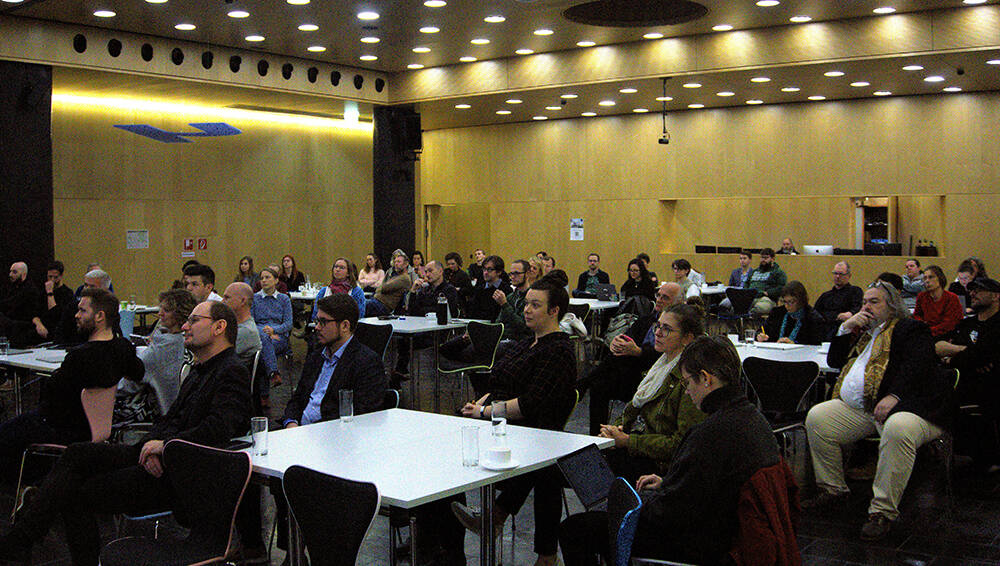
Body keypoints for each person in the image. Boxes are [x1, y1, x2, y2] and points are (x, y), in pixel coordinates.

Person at [0, 301, 251, 565]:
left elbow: (218, 429)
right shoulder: (200, 371)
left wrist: (164, 447)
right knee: (77, 454)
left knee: (74, 492)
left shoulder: (231, 371)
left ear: (219, 327)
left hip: (180, 472)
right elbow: (169, 419)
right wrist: (153, 444)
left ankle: (20, 542)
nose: (185, 326)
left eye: (194, 320)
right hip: (157, 454)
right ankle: (20, 542)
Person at [560, 336, 781, 565]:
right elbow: (704, 485)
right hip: (724, 528)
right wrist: (668, 483)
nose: (687, 392)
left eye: (687, 383)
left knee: (576, 529)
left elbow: (671, 512)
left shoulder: (710, 433)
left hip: (701, 540)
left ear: (706, 379)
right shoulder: (752, 418)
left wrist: (634, 505)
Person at [803, 281, 953, 541]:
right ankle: (833, 490)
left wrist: (894, 395)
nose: (866, 307)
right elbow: (834, 361)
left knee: (897, 428)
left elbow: (918, 365)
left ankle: (882, 512)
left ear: (892, 306)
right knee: (818, 417)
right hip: (866, 408)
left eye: (874, 302)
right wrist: (845, 328)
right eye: (864, 302)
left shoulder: (910, 328)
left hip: (912, 407)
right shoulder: (864, 334)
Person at [452, 279, 577, 566]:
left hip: (529, 430)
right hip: (505, 424)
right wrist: (478, 403)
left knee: (542, 465)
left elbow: (529, 404)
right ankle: (477, 527)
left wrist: (484, 412)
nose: (527, 310)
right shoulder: (527, 342)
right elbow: (499, 381)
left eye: (535, 305)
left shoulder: (558, 350)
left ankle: (495, 518)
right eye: (527, 303)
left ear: (554, 311)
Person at [0, 288, 144, 482]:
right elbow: (138, 373)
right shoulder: (123, 348)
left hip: (64, 429)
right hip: (98, 428)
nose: (76, 315)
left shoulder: (79, 356)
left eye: (82, 311)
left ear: (100, 316)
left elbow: (51, 395)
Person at [597, 303, 707, 481]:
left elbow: (681, 444)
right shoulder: (659, 366)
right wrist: (615, 430)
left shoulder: (690, 380)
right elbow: (633, 409)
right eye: (658, 326)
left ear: (687, 338)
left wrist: (628, 441)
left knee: (584, 470)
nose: (658, 333)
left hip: (659, 466)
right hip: (638, 446)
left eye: (667, 329)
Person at [586, 282, 683, 435]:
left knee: (609, 367)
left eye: (665, 297)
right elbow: (628, 336)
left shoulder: (678, 329)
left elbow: (666, 356)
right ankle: (597, 436)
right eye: (658, 295)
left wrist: (638, 352)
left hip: (654, 375)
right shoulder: (646, 319)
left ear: (678, 303)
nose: (659, 300)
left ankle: (584, 382)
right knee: (600, 385)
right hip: (632, 369)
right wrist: (617, 341)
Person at [935, 277, 1000, 467]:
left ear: (995, 296)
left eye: (979, 290)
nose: (972, 293)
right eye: (972, 290)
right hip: (961, 383)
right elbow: (938, 347)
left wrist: (953, 355)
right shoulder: (966, 324)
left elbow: (982, 356)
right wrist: (966, 353)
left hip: (990, 387)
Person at [253, 267, 294, 386]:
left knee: (261, 351)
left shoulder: (284, 299)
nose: (264, 280)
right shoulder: (255, 298)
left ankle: (263, 391)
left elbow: (288, 324)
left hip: (278, 336)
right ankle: (273, 373)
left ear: (276, 280)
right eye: (262, 278)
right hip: (260, 333)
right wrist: (266, 333)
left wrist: (274, 331)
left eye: (267, 277)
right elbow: (251, 321)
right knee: (263, 344)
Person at [757, 281, 825, 345]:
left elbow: (816, 343)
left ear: (801, 301)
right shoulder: (777, 313)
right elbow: (762, 330)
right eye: (785, 302)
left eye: (791, 302)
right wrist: (760, 336)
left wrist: (794, 344)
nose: (787, 306)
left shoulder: (812, 318)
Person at [813, 261, 864, 340]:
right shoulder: (826, 295)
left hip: (844, 331)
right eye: (835, 273)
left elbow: (858, 308)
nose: (837, 276)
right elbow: (815, 312)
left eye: (841, 274)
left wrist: (850, 313)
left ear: (849, 276)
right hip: (824, 330)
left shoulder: (855, 291)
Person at [0, 262, 43, 348]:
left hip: (22, 326)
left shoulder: (29, 290)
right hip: (12, 323)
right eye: (10, 271)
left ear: (23, 275)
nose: (10, 275)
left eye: (14, 272)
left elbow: (12, 305)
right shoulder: (12, 287)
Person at [914, 265, 963, 337]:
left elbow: (950, 323)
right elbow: (917, 315)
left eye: (931, 277)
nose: (927, 281)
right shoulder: (921, 296)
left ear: (940, 278)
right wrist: (922, 325)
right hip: (924, 333)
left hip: (945, 335)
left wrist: (929, 331)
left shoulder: (952, 298)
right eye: (925, 278)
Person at [221, 282, 263, 365]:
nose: (222, 301)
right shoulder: (236, 326)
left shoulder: (246, 331)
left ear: (243, 301)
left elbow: (214, 356)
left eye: (227, 298)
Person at [365, 249, 415, 317]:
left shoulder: (404, 278)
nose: (396, 264)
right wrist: (380, 288)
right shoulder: (396, 275)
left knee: (359, 304)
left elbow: (384, 288)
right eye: (395, 262)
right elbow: (381, 287)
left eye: (399, 262)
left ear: (406, 264)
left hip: (383, 306)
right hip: (377, 302)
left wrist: (380, 288)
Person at [37, 261, 76, 343]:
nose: (52, 280)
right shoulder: (42, 291)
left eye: (55, 277)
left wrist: (50, 293)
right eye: (50, 277)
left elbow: (55, 314)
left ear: (61, 276)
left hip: (56, 329)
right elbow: (35, 313)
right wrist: (39, 325)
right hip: (42, 327)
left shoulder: (67, 293)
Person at [465, 255, 513, 322]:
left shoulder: (506, 290)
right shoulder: (479, 290)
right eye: (484, 269)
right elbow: (472, 312)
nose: (485, 272)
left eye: (489, 269)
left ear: (499, 272)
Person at [747, 248, 787, 314]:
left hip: (767, 299)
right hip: (750, 298)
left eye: (766, 258)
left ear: (772, 259)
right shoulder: (754, 271)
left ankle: (749, 317)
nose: (763, 260)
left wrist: (767, 293)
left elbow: (782, 288)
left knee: (759, 308)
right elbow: (746, 284)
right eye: (762, 258)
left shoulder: (778, 272)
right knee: (734, 306)